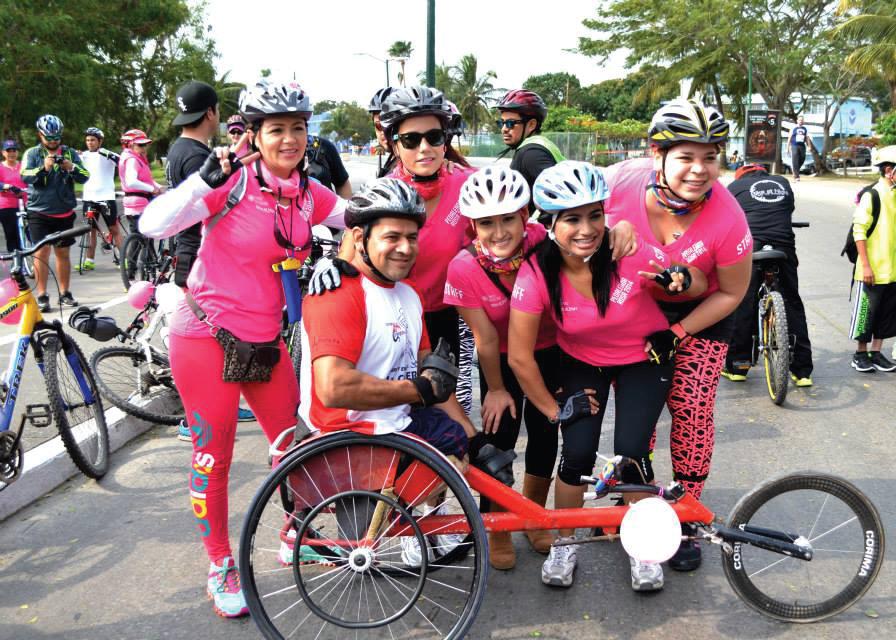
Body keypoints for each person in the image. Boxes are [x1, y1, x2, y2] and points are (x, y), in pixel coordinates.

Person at [140, 78, 347, 619]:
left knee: (291, 446)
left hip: (264, 340)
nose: (289, 140)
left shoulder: (306, 190)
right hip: (204, 334)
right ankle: (219, 563)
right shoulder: (229, 183)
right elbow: (152, 223)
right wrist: (201, 183)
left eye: (298, 129)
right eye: (276, 130)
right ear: (253, 134)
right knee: (215, 458)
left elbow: (354, 218)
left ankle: (295, 532)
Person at [508, 160, 705, 591]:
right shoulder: (537, 271)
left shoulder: (625, 249)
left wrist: (682, 279)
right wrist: (554, 410)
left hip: (643, 358)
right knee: (576, 454)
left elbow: (696, 281)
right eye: (572, 219)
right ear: (550, 223)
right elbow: (520, 356)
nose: (587, 229)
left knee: (631, 453)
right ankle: (565, 542)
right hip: (581, 362)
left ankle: (644, 550)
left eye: (595, 215)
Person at [298, 178, 512, 567]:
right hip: (350, 434)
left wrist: (473, 436)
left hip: (394, 422)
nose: (405, 248)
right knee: (447, 459)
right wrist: (416, 390)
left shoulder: (408, 294)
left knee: (459, 442)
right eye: (392, 236)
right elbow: (333, 388)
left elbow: (434, 380)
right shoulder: (339, 293)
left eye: (412, 237)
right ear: (359, 237)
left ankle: (420, 519)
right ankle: (404, 519)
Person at [602, 99, 752, 573]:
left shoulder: (729, 216)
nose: (700, 169)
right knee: (639, 412)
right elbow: (567, 223)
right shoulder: (619, 182)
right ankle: (641, 504)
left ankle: (686, 515)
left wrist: (680, 331)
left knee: (690, 404)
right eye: (686, 156)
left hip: (703, 312)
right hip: (639, 306)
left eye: (711, 156)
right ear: (656, 153)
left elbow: (732, 293)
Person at [444, 165, 561, 570]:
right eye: (486, 223)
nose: (499, 233)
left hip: (549, 353)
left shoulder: (545, 243)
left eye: (508, 219)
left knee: (547, 435)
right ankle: (497, 525)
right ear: (473, 224)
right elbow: (485, 339)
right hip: (498, 361)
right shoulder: (462, 267)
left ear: (525, 214)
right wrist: (495, 389)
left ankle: (532, 514)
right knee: (499, 438)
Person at [723, 163, 814, 385]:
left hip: (751, 243)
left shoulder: (734, 187)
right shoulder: (782, 183)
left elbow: (727, 216)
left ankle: (738, 365)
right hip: (783, 244)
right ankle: (802, 372)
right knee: (791, 300)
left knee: (743, 300)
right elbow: (787, 209)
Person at [21, 114, 89, 311]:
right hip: (39, 212)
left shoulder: (69, 153)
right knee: (41, 254)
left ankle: (65, 292)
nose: (53, 142)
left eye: (56, 138)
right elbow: (25, 176)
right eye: (48, 138)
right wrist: (44, 168)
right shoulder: (32, 153)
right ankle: (42, 295)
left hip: (63, 212)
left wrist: (71, 167)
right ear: (40, 135)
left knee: (63, 253)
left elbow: (85, 176)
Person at [167, 80, 220, 289]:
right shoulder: (199, 158)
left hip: (185, 247)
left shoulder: (177, 149)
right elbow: (211, 208)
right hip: (199, 254)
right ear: (209, 112)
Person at [849, 145, 896, 373]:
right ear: (889, 170)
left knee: (887, 315)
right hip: (872, 269)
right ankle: (860, 354)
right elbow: (859, 231)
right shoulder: (872, 195)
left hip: (893, 270)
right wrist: (866, 266)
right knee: (866, 313)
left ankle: (876, 353)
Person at [497, 89, 564, 204]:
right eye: (501, 123)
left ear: (531, 124)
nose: (504, 129)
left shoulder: (531, 154)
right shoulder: (541, 144)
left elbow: (563, 193)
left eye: (510, 123)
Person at [118, 129, 162, 272]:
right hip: (139, 202)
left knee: (138, 237)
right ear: (130, 145)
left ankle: (134, 271)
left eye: (145, 145)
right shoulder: (132, 159)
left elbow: (147, 179)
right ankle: (148, 266)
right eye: (140, 145)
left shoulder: (135, 158)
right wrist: (151, 189)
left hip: (134, 202)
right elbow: (131, 181)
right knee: (145, 235)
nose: (144, 148)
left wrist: (158, 187)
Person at [79, 127, 123, 270]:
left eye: (92, 140)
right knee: (90, 229)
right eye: (87, 140)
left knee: (113, 229)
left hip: (106, 198)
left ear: (100, 141)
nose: (89, 143)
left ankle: (123, 259)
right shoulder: (83, 155)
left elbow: (122, 163)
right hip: (89, 198)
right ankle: (89, 260)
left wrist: (109, 154)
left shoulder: (106, 154)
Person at [305, 133, 352, 198]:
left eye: (298, 128)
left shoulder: (322, 146)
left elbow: (342, 183)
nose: (289, 140)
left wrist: (344, 206)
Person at [0, 139, 27, 252]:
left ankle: (30, 259)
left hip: (24, 205)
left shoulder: (24, 166)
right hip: (6, 207)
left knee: (28, 234)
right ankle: (16, 262)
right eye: (8, 150)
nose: (11, 153)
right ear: (3, 152)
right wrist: (7, 186)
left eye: (14, 150)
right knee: (11, 235)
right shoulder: (1, 167)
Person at [367, 86, 395, 177]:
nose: (384, 132)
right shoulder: (393, 161)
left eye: (389, 126)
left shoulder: (411, 166)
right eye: (379, 126)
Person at [788, 116, 808, 181]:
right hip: (794, 145)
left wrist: (809, 146)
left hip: (802, 145)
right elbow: (789, 137)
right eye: (799, 120)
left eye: (802, 120)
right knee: (795, 159)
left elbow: (807, 138)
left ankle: (795, 169)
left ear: (803, 121)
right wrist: (787, 147)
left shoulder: (805, 129)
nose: (801, 121)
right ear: (797, 121)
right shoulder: (793, 128)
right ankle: (796, 176)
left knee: (802, 158)